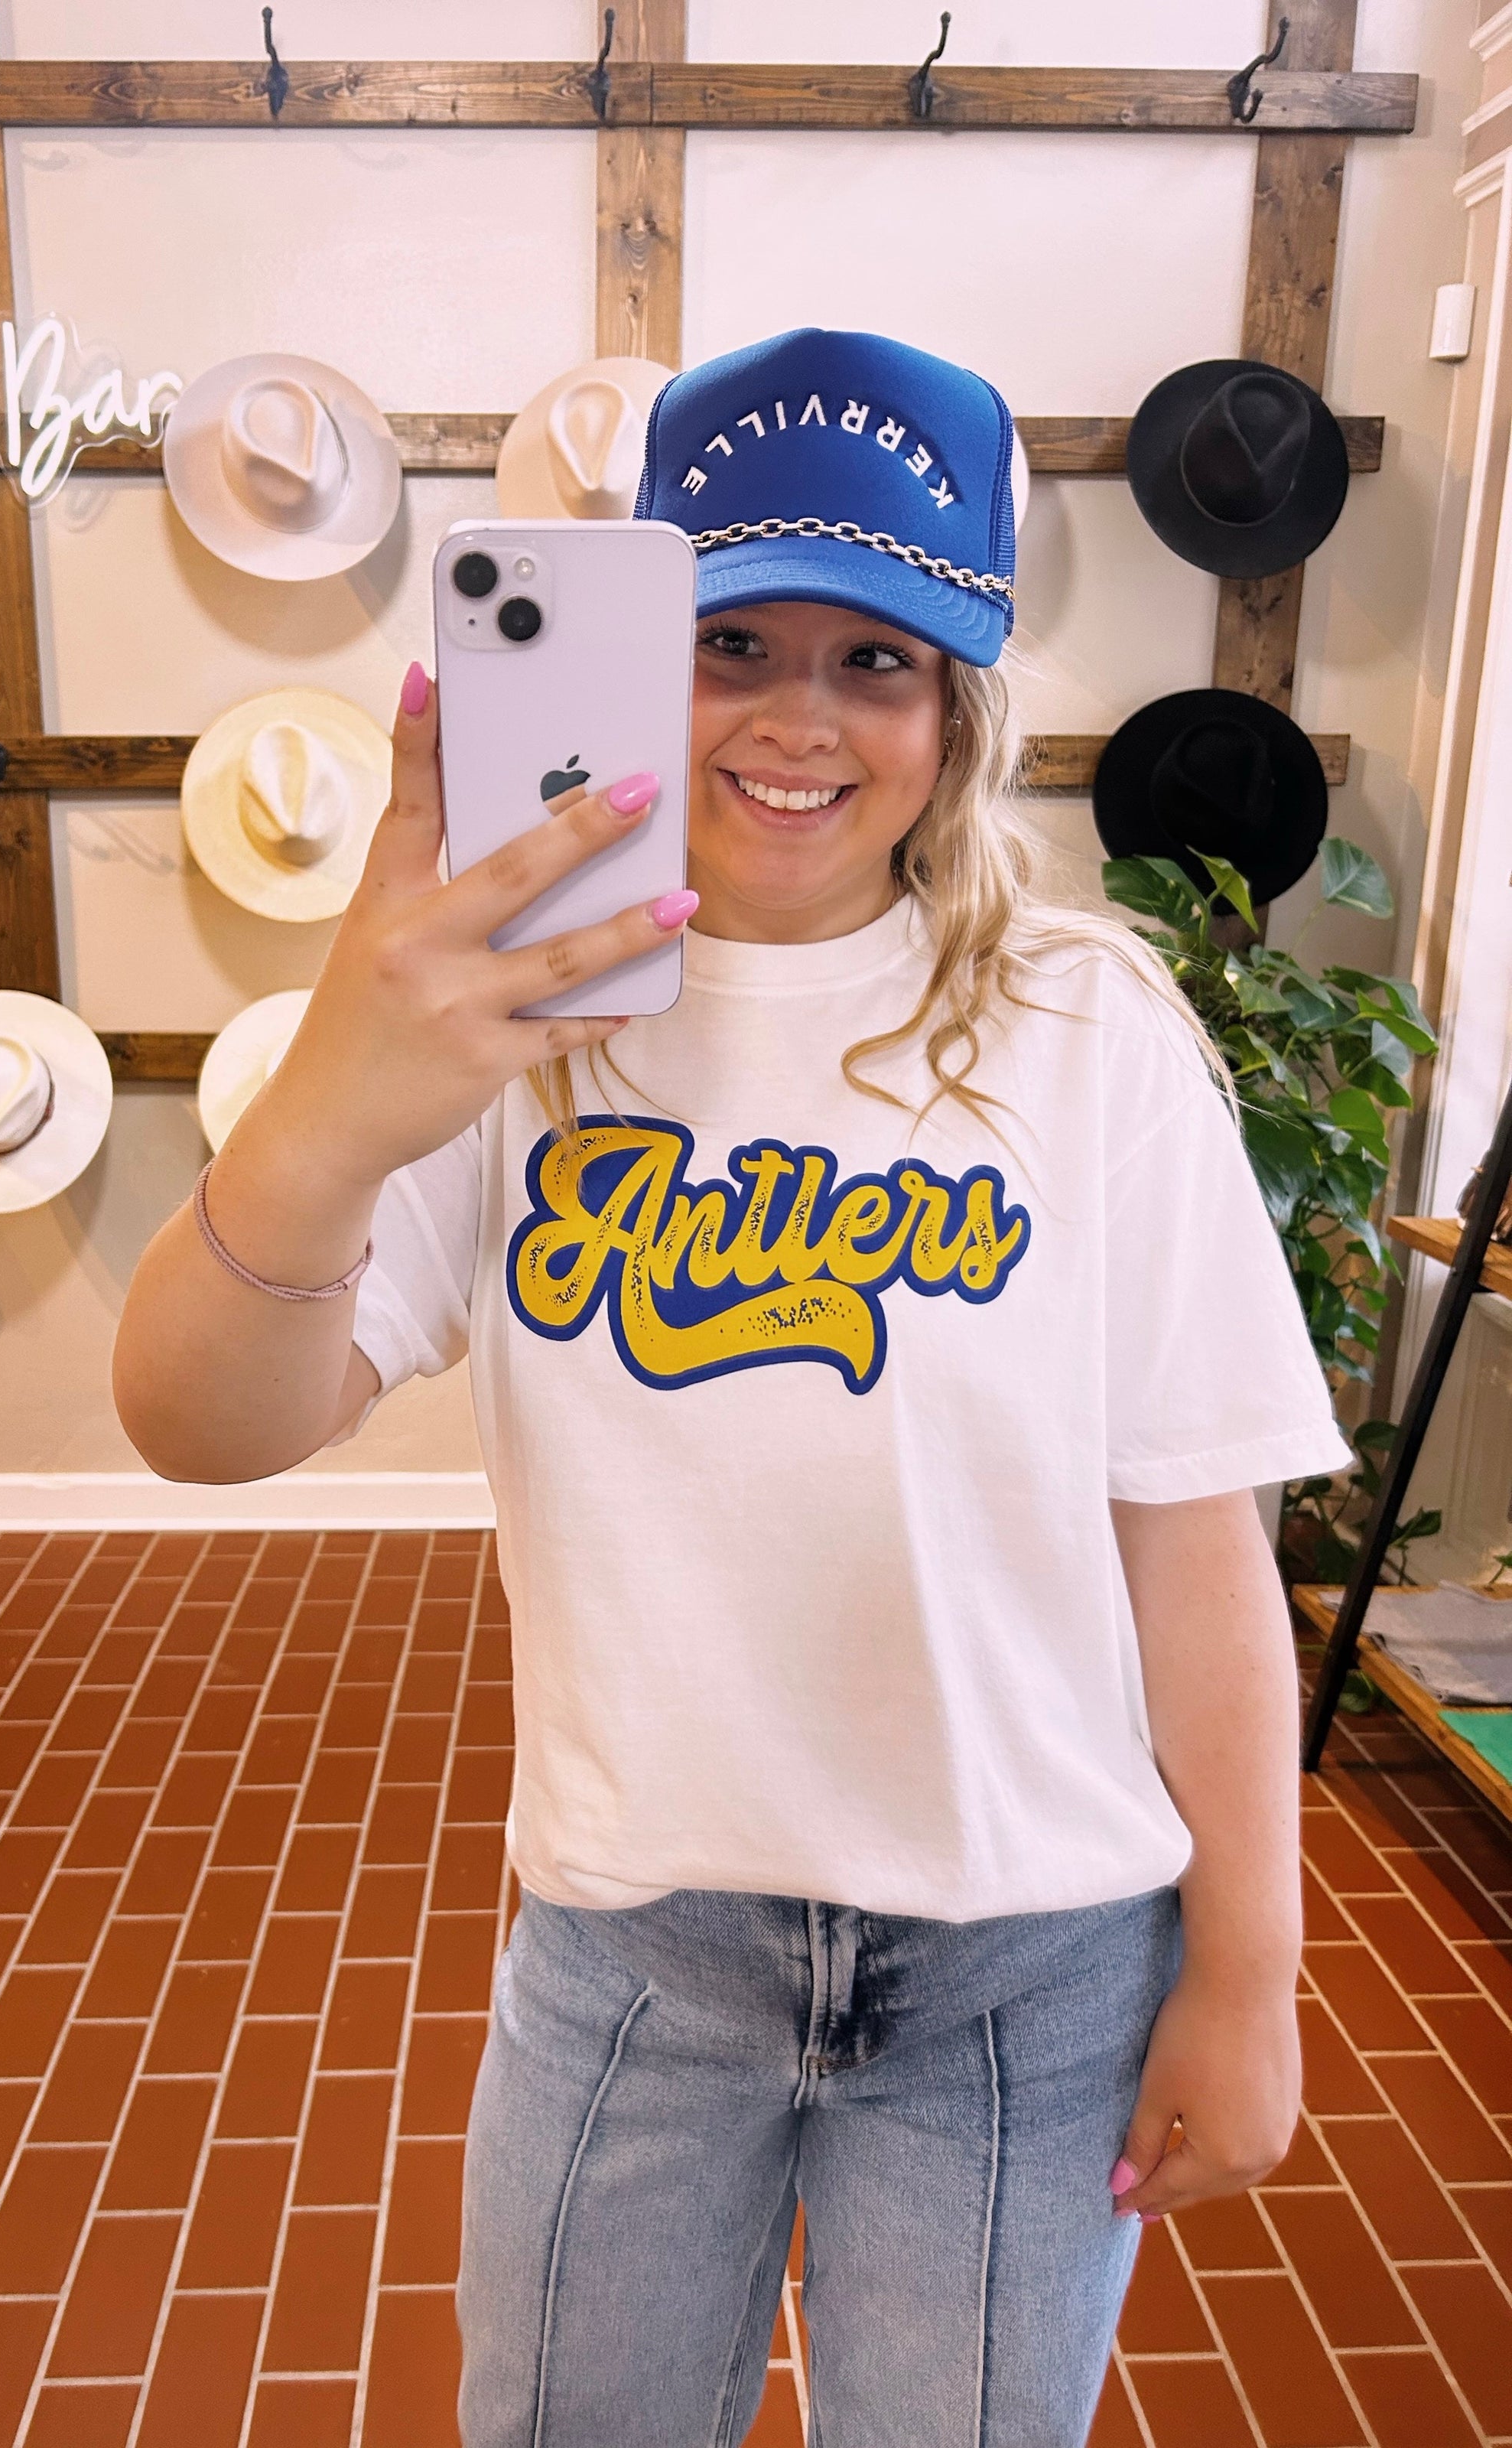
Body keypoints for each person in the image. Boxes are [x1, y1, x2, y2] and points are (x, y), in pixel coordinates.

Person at [114, 328, 1349, 2448]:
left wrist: (1250, 1975)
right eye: (733, 642)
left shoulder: (1088, 1028)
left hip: (1027, 1969)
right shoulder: (511, 1020)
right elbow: (197, 1426)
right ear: (633, 657)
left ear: (960, 706)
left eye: (879, 659)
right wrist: (331, 1096)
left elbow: (1194, 1543)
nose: (800, 714)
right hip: (635, 1958)